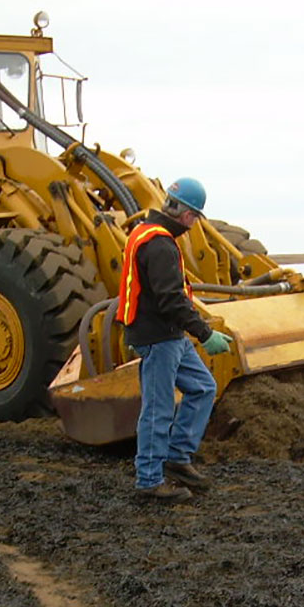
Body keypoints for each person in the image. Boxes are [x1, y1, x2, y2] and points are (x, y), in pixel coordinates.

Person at [117, 177, 233, 502]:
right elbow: (170, 299)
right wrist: (205, 333)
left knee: (203, 387)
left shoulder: (148, 232)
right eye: (195, 217)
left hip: (169, 335)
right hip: (157, 338)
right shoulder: (160, 244)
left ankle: (177, 457)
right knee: (159, 408)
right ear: (188, 215)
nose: (194, 223)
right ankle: (149, 481)